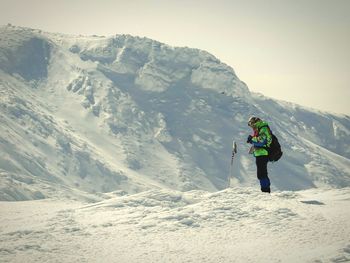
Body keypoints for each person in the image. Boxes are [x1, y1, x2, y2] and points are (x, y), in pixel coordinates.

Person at [246, 116, 272, 193]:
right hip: (260, 153)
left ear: (255, 123)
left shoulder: (263, 128)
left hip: (263, 154)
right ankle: (265, 190)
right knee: (261, 174)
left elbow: (262, 141)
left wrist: (251, 139)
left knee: (262, 174)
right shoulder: (259, 129)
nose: (251, 127)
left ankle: (265, 191)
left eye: (252, 124)